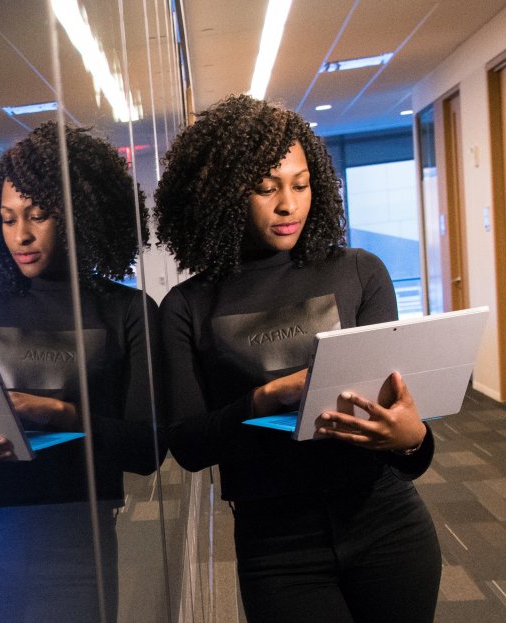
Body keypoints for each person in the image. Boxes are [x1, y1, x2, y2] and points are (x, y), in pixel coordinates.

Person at [153, 95, 441, 623]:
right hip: (277, 547)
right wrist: (264, 398)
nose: (289, 204)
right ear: (222, 195)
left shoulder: (360, 272)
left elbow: (399, 413)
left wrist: (413, 439)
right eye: (266, 188)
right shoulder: (187, 307)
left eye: (301, 184)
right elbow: (189, 445)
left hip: (385, 522)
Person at [0, 121, 158, 622]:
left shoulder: (127, 311)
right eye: (7, 219)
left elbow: (147, 449)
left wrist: (56, 411)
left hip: (77, 542)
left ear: (77, 216)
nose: (20, 235)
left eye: (38, 216)